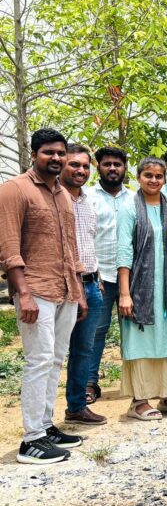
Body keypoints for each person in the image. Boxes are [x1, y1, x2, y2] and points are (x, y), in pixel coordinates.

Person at [0, 129, 85, 463]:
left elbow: (71, 246)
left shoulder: (62, 193)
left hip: (65, 288)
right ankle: (31, 440)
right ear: (34, 154)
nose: (57, 158)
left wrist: (78, 290)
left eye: (61, 153)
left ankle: (46, 426)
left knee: (55, 358)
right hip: (35, 289)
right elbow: (8, 247)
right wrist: (23, 294)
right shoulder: (15, 189)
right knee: (38, 360)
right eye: (49, 152)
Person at [116, 157, 167, 422]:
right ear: (138, 177)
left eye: (159, 176)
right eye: (148, 175)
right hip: (140, 287)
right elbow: (123, 251)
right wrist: (125, 293)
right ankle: (139, 401)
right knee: (142, 340)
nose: (154, 180)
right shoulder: (129, 207)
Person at [60, 145, 107, 425]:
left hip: (92, 283)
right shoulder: (54, 198)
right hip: (64, 286)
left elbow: (88, 243)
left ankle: (76, 407)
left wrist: (96, 277)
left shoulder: (89, 202)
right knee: (53, 353)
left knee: (83, 350)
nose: (80, 170)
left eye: (85, 166)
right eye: (74, 164)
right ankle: (41, 423)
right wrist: (77, 287)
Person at [85, 146, 135, 405]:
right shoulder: (86, 196)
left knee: (136, 332)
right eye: (107, 164)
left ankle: (138, 384)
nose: (113, 168)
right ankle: (89, 383)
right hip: (99, 276)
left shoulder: (135, 198)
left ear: (125, 167)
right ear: (98, 167)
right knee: (95, 332)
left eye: (117, 164)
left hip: (132, 278)